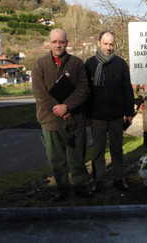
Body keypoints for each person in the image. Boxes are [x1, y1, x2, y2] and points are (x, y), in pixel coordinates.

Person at [32, 28, 93, 202]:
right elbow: (39, 92)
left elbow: (84, 89)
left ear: (67, 43)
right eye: (54, 41)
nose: (58, 44)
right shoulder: (39, 64)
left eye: (62, 41)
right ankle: (62, 188)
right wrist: (56, 108)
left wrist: (66, 106)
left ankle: (81, 186)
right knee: (56, 159)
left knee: (77, 157)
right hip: (49, 121)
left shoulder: (77, 63)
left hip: (75, 119)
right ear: (49, 42)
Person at [85, 31, 135, 192]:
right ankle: (98, 180)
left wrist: (129, 112)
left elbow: (127, 89)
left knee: (117, 149)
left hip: (116, 115)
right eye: (105, 44)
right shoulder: (90, 64)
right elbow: (85, 91)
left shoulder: (120, 64)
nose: (108, 47)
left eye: (111, 44)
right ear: (98, 43)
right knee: (98, 149)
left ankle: (118, 178)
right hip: (97, 115)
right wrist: (86, 114)